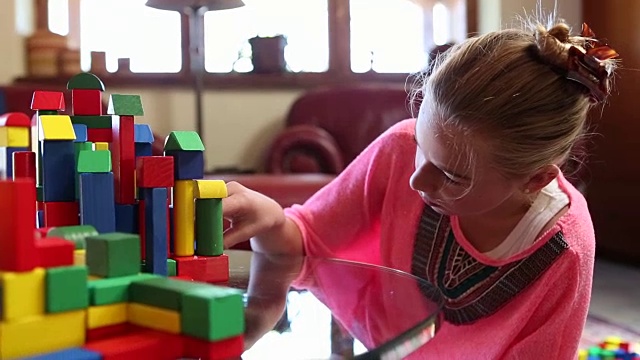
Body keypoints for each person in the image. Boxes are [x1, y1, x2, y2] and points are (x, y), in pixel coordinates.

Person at [222, 15, 620, 359]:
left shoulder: (566, 249)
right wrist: (274, 221)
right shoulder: (399, 147)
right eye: (421, 148)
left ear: (536, 180)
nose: (416, 181)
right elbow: (308, 242)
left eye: (452, 176)